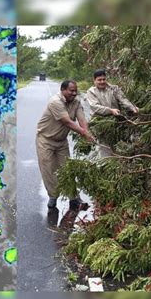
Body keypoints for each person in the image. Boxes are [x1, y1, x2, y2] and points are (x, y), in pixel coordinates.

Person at [36, 80, 95, 210]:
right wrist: (84, 134)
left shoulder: (76, 102)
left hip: (61, 141)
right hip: (45, 140)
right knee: (49, 170)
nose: (74, 93)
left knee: (67, 170)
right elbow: (67, 122)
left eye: (76, 91)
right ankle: (53, 196)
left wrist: (87, 133)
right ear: (63, 90)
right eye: (71, 91)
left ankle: (74, 199)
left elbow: (82, 120)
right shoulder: (55, 102)